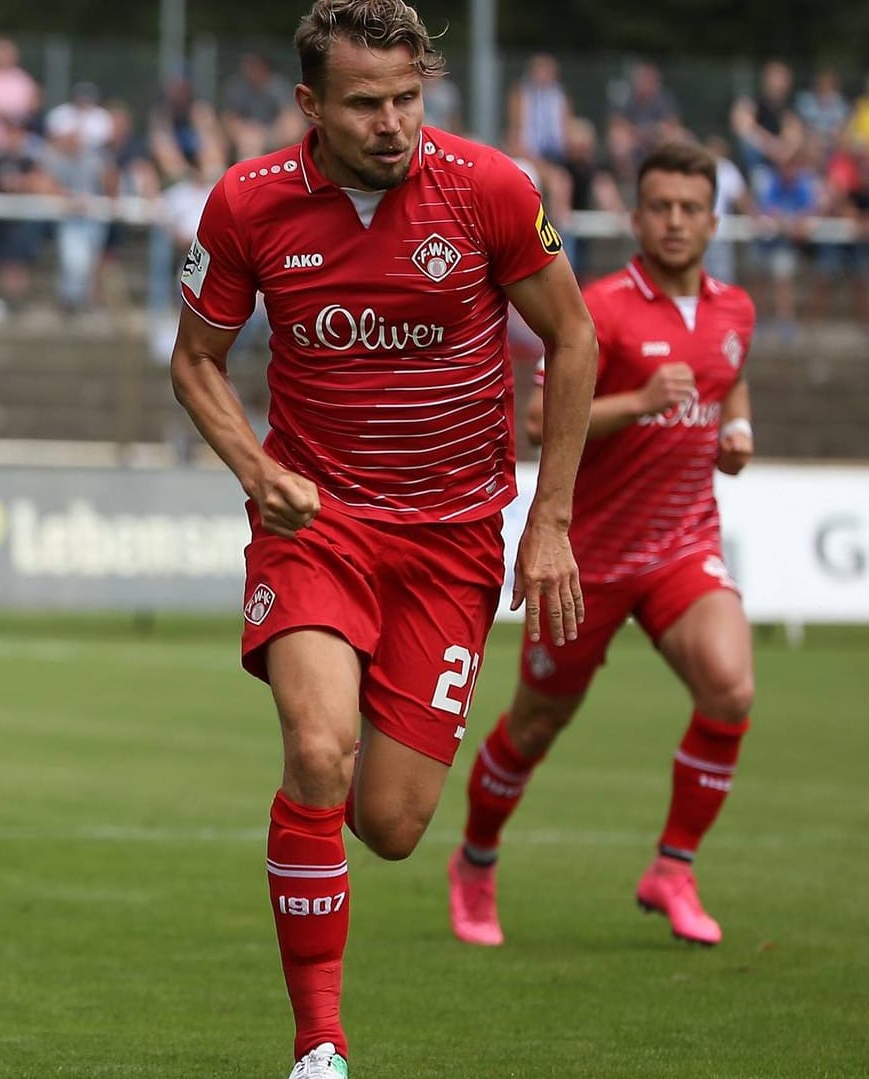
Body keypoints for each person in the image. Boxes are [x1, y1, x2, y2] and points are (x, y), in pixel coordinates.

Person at [168, 2, 596, 1075]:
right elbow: (195, 361)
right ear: (310, 104)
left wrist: (550, 520)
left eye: (409, 97)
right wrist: (257, 472)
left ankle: (327, 853)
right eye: (367, 103)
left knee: (393, 822)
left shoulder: (491, 189)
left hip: (453, 540)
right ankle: (319, 1046)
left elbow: (574, 336)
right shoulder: (249, 204)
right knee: (318, 750)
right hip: (319, 524)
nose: (394, 121)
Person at [448, 141, 756, 950]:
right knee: (537, 724)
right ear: (637, 215)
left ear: (714, 220)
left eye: (692, 208)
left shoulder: (736, 310)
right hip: (585, 559)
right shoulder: (602, 308)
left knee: (730, 687)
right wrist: (643, 401)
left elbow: (729, 377)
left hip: (683, 546)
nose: (677, 221)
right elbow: (543, 422)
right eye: (662, 206)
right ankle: (475, 860)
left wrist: (738, 429)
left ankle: (674, 867)